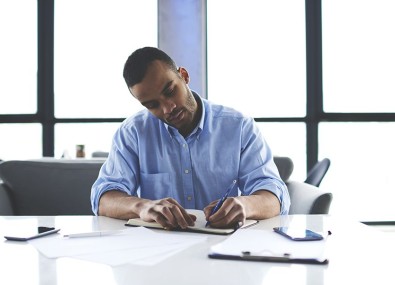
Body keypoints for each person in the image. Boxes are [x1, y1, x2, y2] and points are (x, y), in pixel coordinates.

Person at [91, 47, 290, 229]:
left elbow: (275, 196)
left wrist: (245, 205)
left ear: (184, 76)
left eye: (170, 91)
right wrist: (142, 206)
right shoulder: (132, 132)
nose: (168, 109)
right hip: (158, 253)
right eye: (153, 105)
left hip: (224, 251)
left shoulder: (238, 127)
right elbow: (103, 199)